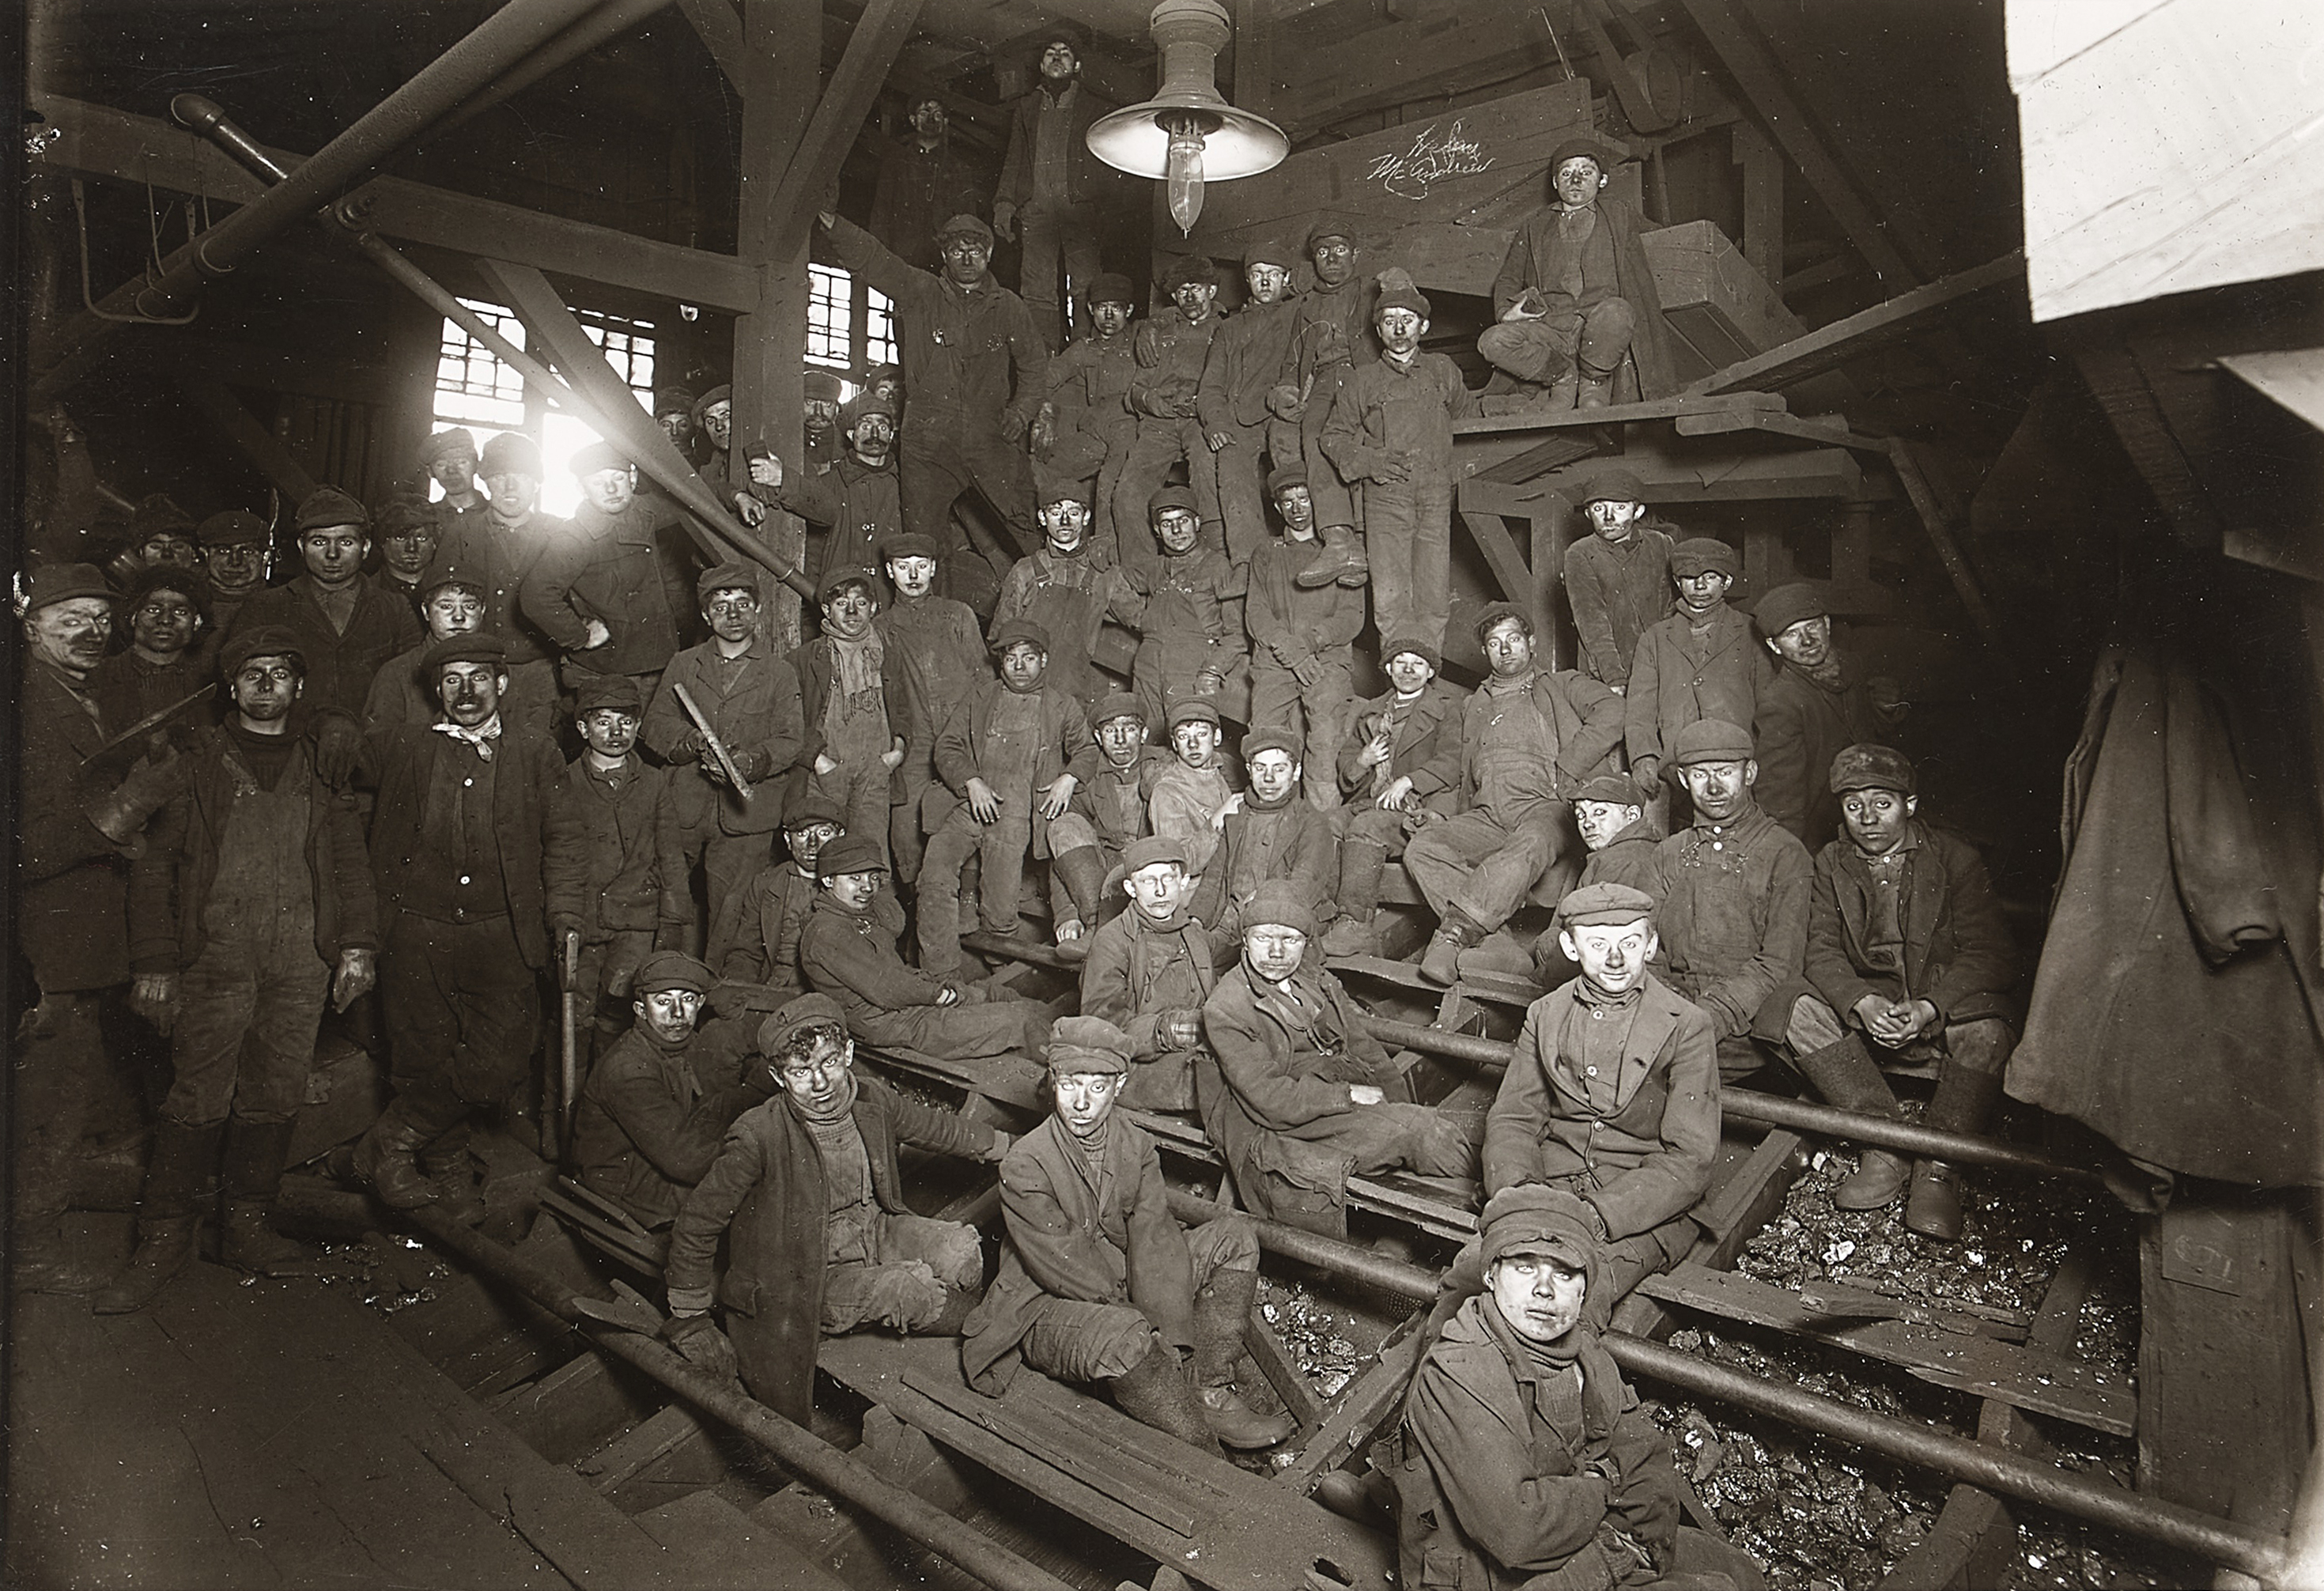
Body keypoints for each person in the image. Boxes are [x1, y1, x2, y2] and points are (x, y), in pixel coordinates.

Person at [104, 625, 380, 1313]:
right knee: (197, 1096)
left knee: (276, 1093)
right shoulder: (196, 760)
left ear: (298, 687)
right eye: (251, 673)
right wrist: (155, 964)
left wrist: (357, 946)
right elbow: (155, 867)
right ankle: (162, 1239)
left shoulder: (323, 764)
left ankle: (247, 1231)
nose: (265, 684)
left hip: (300, 959)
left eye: (278, 673)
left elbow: (349, 861)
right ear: (230, 686)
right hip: (216, 958)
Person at [1395, 1185, 1764, 1591]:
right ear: (1490, 1275)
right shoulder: (1461, 1368)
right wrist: (1608, 1494)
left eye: (1564, 1274)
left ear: (1584, 1290)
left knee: (1741, 1571)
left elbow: (1647, 1456)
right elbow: (1518, 1531)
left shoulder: (1583, 1350)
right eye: (1524, 1268)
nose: (1545, 1290)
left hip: (1577, 1530)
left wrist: (1624, 1524)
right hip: (1487, 1575)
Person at [663, 992, 1008, 1422]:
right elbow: (698, 1222)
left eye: (828, 1063)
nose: (821, 1083)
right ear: (777, 1075)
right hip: (807, 1274)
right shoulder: (757, 1137)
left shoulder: (868, 1100)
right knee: (907, 1291)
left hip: (872, 1229)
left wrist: (1005, 1148)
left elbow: (934, 1127)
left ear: (847, 1052)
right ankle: (995, 1335)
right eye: (801, 1072)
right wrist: (689, 1315)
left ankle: (968, 1334)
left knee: (958, 1251)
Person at [962, 1016, 1294, 1452]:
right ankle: (1199, 1445)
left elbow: (1154, 1237)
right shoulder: (1025, 1164)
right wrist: (1143, 1323)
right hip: (1048, 1305)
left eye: (1097, 1088)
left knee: (1234, 1238)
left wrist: (1173, 1339)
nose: (1082, 1102)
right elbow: (1065, 1264)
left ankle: (1205, 1387)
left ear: (1119, 1086)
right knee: (1126, 1338)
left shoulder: (1135, 1145)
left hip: (1122, 1284)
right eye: (1069, 1085)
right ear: (1053, 1080)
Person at [348, 634, 584, 1211]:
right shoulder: (406, 746)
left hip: (501, 930)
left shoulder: (535, 752)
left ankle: (388, 1143)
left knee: (501, 1059)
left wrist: (566, 914)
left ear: (502, 684)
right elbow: (340, 761)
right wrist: (333, 726)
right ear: (436, 689)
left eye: (479, 678)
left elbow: (566, 840)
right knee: (422, 1053)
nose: (466, 691)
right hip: (415, 930)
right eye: (452, 680)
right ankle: (447, 1171)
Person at [14, 566, 190, 1293]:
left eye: (98, 620)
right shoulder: (23, 705)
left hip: (82, 943)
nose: (90, 633)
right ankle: (26, 1254)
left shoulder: (90, 696)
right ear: (29, 629)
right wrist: (127, 807)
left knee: (62, 1098)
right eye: (69, 621)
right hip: (41, 949)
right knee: (43, 1105)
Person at [1795, 745, 2018, 1238]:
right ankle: (1883, 1145)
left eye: (1883, 803)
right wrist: (1860, 1001)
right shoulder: (1830, 862)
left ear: (1910, 806)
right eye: (1854, 806)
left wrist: (1929, 1007)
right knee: (1794, 1013)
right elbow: (1821, 951)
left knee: (1988, 1031)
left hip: (1937, 1002)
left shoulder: (1955, 859)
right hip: (1870, 1003)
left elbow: (1990, 952)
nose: (1868, 819)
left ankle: (1939, 1162)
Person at [1479, 885, 1717, 1325]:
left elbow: (1691, 1158)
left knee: (1579, 1299)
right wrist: (1521, 1193)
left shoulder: (1688, 1025)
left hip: (1644, 1206)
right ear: (1570, 947)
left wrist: (1601, 1216)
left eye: (1629, 943)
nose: (1614, 959)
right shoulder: (1546, 1013)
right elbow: (1514, 1118)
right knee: (1481, 1278)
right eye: (1598, 943)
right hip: (1550, 1184)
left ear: (1651, 945)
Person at [1200, 882, 1471, 1234]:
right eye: (1265, 938)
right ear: (1246, 939)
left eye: (1291, 939)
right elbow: (1269, 1098)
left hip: (1326, 1100)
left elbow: (1362, 1045)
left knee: (1419, 1123)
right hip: (1278, 1123)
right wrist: (1351, 1097)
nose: (1277, 951)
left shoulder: (1315, 980)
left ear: (1306, 942)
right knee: (1423, 1132)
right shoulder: (1227, 1007)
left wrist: (1397, 1103)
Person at [820, 207, 1049, 614]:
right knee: (922, 543)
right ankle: (930, 621)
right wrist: (837, 226)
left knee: (1026, 524)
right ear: (944, 255)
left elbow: (1034, 366)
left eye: (976, 250)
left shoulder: (1007, 306)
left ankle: (1053, 603)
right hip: (928, 444)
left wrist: (1021, 412)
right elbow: (877, 261)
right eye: (958, 250)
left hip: (990, 438)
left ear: (989, 255)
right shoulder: (920, 291)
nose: (966, 258)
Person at [1405, 604, 1626, 986]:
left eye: (1513, 639)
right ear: (1486, 653)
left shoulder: (1561, 685)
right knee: (1422, 848)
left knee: (1528, 844)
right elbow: (1461, 772)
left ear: (1531, 643)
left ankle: (1455, 935)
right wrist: (1439, 814)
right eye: (1494, 643)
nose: (1505, 649)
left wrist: (1570, 765)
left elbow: (1614, 709)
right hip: (1488, 814)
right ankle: (1501, 946)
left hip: (1546, 808)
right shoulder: (1474, 705)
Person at [644, 563, 806, 955]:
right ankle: (665, 986)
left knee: (731, 918)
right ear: (705, 614)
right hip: (683, 806)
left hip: (746, 818)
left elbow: (790, 739)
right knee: (666, 900)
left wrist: (751, 763)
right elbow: (654, 725)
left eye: (743, 605)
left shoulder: (779, 672)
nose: (733, 616)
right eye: (721, 607)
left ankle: (716, 995)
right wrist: (692, 742)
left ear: (759, 610)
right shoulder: (684, 664)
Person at [916, 620, 1090, 976]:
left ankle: (999, 972)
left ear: (1044, 659)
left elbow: (1087, 749)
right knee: (934, 871)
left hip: (1017, 816)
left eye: (1029, 658)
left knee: (999, 910)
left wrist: (1068, 778)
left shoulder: (1061, 706)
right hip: (969, 806)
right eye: (1011, 659)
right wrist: (971, 780)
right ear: (1001, 663)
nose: (1020, 667)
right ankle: (940, 972)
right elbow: (947, 746)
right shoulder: (980, 697)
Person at [1648, 720, 1814, 1083]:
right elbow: (1647, 947)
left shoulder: (1784, 853)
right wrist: (1671, 1008)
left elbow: (1779, 963)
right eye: (1700, 774)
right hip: (1673, 1013)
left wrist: (1707, 1016)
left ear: (1750, 773)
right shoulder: (1669, 854)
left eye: (1725, 772)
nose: (1713, 787)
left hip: (1747, 1026)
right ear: (1683, 779)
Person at [1321, 270, 1477, 654]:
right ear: (1379, 330)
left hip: (1436, 495)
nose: (1399, 329)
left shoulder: (1443, 371)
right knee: (1391, 601)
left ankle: (1428, 681)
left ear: (1423, 325)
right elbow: (1333, 437)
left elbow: (1469, 420)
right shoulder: (1362, 380)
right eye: (1389, 321)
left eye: (1407, 320)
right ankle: (1398, 686)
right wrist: (1370, 461)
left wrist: (1454, 472)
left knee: (1434, 597)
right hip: (1386, 496)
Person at [800, 835, 1055, 1060]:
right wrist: (940, 995)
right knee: (1018, 1020)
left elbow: (895, 926)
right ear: (827, 880)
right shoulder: (828, 931)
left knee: (997, 995)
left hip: (905, 1004)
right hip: (888, 1022)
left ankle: (1065, 1029)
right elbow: (887, 988)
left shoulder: (856, 915)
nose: (867, 887)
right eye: (854, 878)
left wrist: (946, 993)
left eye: (874, 877)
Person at [1476, 135, 1681, 410]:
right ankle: (1561, 376)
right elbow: (1509, 277)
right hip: (1552, 330)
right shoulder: (1535, 226)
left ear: (1602, 181)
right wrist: (1506, 312)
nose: (1575, 180)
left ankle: (1593, 381)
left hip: (1599, 331)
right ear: (1555, 182)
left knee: (1617, 311)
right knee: (1492, 341)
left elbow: (1668, 238)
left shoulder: (1620, 216)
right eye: (1566, 173)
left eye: (1586, 172)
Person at [570, 950, 773, 1227]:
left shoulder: (674, 1045)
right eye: (664, 1002)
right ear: (641, 1010)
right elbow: (685, 1160)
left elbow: (704, 1111)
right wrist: (761, 1160)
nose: (678, 1014)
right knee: (757, 1196)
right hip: (629, 1188)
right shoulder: (629, 1069)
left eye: (687, 1000)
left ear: (700, 1003)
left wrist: (761, 1090)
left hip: (654, 1163)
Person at [546, 674, 687, 1063]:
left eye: (625, 721)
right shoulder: (563, 783)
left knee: (622, 1017)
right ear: (582, 727)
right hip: (583, 920)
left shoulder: (654, 783)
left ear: (639, 727)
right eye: (603, 721)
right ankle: (564, 1111)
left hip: (637, 922)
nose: (615, 731)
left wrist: (672, 923)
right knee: (574, 1017)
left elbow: (671, 856)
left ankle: (612, 1096)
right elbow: (553, 858)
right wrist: (563, 919)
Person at [1324, 636, 1468, 958]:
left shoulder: (1447, 709)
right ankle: (1325, 912)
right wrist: (1363, 760)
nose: (1409, 670)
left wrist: (1409, 780)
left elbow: (1453, 760)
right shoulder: (1372, 711)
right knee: (1329, 823)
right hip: (1374, 800)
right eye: (1401, 663)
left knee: (1367, 827)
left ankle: (1355, 923)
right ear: (1388, 668)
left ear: (1430, 673)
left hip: (1420, 806)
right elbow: (1346, 766)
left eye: (1418, 664)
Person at [228, 486, 421, 717]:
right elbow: (240, 678)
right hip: (293, 739)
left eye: (346, 542)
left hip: (372, 741)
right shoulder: (264, 606)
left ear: (366, 547)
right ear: (302, 547)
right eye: (319, 542)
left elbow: (413, 685)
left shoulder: (395, 608)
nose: (332, 554)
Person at [1079, 837, 1239, 1111]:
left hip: (1193, 1047)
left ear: (1184, 882)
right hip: (1140, 1061)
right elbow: (1101, 1024)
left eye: (1168, 878)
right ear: (1130, 888)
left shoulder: (1193, 935)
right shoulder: (1113, 941)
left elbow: (1233, 956)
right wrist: (1165, 1031)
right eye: (1148, 881)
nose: (1161, 891)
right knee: (1222, 1085)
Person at [523, 441, 700, 690]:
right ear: (582, 489)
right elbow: (536, 595)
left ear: (633, 478)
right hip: (608, 670)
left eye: (618, 477)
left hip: (660, 661)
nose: (611, 489)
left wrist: (735, 495)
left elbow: (691, 497)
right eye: (597, 482)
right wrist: (580, 635)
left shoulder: (643, 512)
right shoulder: (576, 537)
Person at [991, 34, 1120, 350]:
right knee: (1037, 286)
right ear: (1042, 64)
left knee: (1086, 284)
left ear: (1076, 65)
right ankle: (1043, 354)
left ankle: (1084, 350)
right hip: (1037, 207)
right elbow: (1015, 157)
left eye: (1064, 54)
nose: (1057, 58)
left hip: (1078, 208)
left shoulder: (1093, 106)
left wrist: (1102, 203)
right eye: (1051, 53)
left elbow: (1107, 158)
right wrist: (1004, 203)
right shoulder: (1027, 106)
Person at [1245, 464, 1363, 808]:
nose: (1297, 509)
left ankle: (1323, 826)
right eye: (1288, 501)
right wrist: (1290, 651)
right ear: (1278, 507)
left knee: (1326, 737)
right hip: (1275, 659)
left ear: (1318, 503)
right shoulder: (1267, 553)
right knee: (1266, 737)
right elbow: (1256, 612)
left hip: (1326, 660)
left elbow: (1352, 617)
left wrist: (1309, 644)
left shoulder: (1345, 553)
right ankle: (1269, 818)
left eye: (1305, 499)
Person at [875, 532, 991, 886]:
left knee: (970, 819)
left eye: (921, 567)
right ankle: (915, 907)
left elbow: (984, 681)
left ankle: (966, 904)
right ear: (890, 571)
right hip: (912, 746)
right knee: (907, 831)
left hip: (960, 738)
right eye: (903, 567)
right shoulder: (881, 628)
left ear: (934, 569)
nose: (913, 575)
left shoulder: (957, 616)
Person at [1623, 537, 1771, 799]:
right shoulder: (1655, 638)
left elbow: (1769, 704)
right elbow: (1640, 708)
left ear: (1727, 582)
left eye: (1711, 576)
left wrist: (1764, 759)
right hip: (1677, 764)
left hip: (1736, 759)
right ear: (1678, 583)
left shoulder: (1750, 631)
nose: (1700, 585)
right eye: (1689, 577)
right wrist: (1643, 757)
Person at [1271, 217, 1374, 588]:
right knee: (1314, 439)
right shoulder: (1308, 304)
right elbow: (1293, 359)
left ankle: (1362, 541)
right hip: (1325, 380)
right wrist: (1285, 389)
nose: (1332, 259)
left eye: (1340, 250)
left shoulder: (1370, 291)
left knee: (1363, 441)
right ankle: (1339, 539)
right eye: (1323, 252)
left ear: (1355, 255)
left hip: (1366, 376)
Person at [430, 430, 566, 706]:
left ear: (537, 483)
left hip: (545, 672)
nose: (510, 487)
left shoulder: (561, 533)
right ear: (486, 482)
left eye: (522, 477)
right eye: (499, 477)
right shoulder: (462, 533)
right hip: (480, 669)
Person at [1112, 257, 1227, 574]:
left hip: (1200, 421)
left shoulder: (1227, 330)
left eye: (1197, 289)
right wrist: (1151, 401)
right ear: (1174, 298)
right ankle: (1142, 574)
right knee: (1128, 493)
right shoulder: (1160, 334)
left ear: (1212, 291)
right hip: (1159, 425)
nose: (1190, 297)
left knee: (1208, 475)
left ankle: (1213, 564)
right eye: (1182, 291)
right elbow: (1133, 392)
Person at [1751, 582, 1885, 853]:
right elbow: (1780, 795)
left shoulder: (1854, 667)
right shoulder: (1780, 702)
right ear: (1774, 646)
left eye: (1812, 626)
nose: (1807, 641)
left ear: (1827, 624)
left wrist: (1888, 709)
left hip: (1875, 813)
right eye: (1792, 634)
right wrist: (1787, 855)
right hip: (1821, 833)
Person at [1196, 240, 1306, 561]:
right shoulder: (1229, 328)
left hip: (1285, 413)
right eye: (1258, 274)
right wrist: (1216, 421)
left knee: (1295, 468)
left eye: (1274, 274)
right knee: (1231, 472)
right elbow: (1211, 385)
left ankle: (1306, 546)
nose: (1266, 281)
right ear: (1247, 279)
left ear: (1287, 278)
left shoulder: (1298, 311)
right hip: (1241, 417)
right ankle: (1250, 561)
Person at [792, 565, 908, 864]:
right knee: (823, 858)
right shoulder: (807, 658)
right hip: (828, 771)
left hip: (875, 770)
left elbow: (904, 707)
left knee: (870, 855)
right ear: (827, 610)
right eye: (842, 604)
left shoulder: (887, 652)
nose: (852, 611)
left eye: (861, 603)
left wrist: (897, 751)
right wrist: (819, 761)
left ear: (873, 608)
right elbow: (788, 717)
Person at [364, 561, 555, 738]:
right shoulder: (397, 673)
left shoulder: (507, 673)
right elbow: (380, 746)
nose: (459, 617)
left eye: (469, 606)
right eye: (446, 606)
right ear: (425, 611)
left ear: (482, 611)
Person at [992, 472, 1129, 706]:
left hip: (1077, 689)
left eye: (1073, 513)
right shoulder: (1025, 571)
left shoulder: (1103, 573)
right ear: (1042, 518)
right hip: (1028, 689)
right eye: (1056, 513)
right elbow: (999, 636)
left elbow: (1142, 618)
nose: (1065, 522)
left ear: (1086, 517)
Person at [1115, 484, 1247, 727]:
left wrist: (1213, 670)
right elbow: (1113, 581)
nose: (1176, 530)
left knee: (1190, 742)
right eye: (1167, 524)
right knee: (1149, 742)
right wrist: (1141, 619)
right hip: (1148, 664)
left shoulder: (1217, 566)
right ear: (1157, 530)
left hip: (1193, 667)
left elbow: (1237, 633)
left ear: (1197, 523)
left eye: (1183, 520)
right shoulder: (1154, 567)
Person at [1048, 693, 1169, 954]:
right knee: (1063, 825)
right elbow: (1063, 854)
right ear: (1098, 738)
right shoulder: (1086, 779)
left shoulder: (1164, 765)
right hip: (1103, 879)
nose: (1121, 739)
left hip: (1156, 869)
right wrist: (1067, 913)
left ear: (1144, 734)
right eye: (1111, 730)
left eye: (1130, 729)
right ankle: (1096, 927)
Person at [1031, 275, 1140, 559]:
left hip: (1132, 430)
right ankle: (1055, 546)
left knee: (1109, 486)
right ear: (1091, 310)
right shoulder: (1084, 349)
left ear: (1128, 311)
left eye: (1116, 308)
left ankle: (1104, 555)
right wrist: (1045, 410)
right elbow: (1047, 378)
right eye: (1101, 307)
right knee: (1038, 466)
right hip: (1095, 435)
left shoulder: (1140, 341)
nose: (1108, 316)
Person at [1193, 729, 1340, 939]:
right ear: (1249, 771)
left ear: (1296, 772)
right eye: (1260, 768)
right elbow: (1214, 879)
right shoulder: (1237, 817)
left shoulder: (1312, 822)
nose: (1269, 778)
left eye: (1279, 769)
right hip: (1230, 921)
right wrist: (1196, 921)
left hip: (1281, 924)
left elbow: (1303, 885)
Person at [1530, 774, 1662, 986]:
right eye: (1581, 815)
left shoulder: (1621, 859)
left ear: (1632, 815)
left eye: (1600, 812)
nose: (1588, 823)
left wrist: (1540, 981)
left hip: (1623, 971)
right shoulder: (1634, 850)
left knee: (1549, 942)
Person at [742, 393, 901, 567]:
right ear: (850, 434)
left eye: (883, 428)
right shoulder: (830, 483)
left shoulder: (903, 485)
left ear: (891, 436)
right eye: (865, 427)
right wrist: (783, 480)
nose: (875, 434)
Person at [1563, 467, 1676, 693]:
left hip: (1662, 665)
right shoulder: (1580, 553)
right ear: (1588, 514)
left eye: (1620, 507)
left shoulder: (1661, 545)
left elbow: (1672, 608)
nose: (1609, 517)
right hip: (1606, 672)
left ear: (1638, 512)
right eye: (1599, 508)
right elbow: (1592, 622)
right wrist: (1615, 678)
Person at [716, 796, 845, 992]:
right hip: (776, 989)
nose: (813, 844)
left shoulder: (854, 884)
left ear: (840, 836)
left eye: (824, 833)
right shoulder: (766, 884)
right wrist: (739, 992)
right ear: (787, 840)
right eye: (802, 834)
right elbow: (745, 953)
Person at [93, 564, 214, 744]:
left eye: (180, 611)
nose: (165, 620)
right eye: (153, 610)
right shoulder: (100, 677)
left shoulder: (209, 685)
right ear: (133, 617)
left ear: (197, 622)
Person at [869, 93, 984, 270]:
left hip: (943, 257)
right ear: (913, 120)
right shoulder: (895, 164)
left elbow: (968, 219)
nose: (931, 119)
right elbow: (881, 212)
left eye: (937, 114)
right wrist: (879, 255)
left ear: (945, 122)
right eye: (924, 113)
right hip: (902, 254)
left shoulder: (958, 168)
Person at [1147, 698, 1237, 867]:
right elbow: (1183, 861)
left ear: (1217, 737)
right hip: (1194, 886)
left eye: (1202, 734)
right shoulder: (1166, 792)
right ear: (1174, 743)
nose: (1193, 744)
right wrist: (1217, 820)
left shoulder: (1218, 773)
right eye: (1183, 736)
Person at [197, 508, 272, 633]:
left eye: (248, 551)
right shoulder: (188, 603)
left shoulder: (282, 605)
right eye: (223, 551)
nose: (235, 561)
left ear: (265, 557)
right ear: (206, 554)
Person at [373, 498, 441, 610]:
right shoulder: (368, 591)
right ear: (382, 542)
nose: (411, 548)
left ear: (435, 543)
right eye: (400, 538)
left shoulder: (448, 588)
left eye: (421, 538)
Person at [417, 428, 484, 527]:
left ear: (476, 466)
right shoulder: (426, 519)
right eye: (441, 465)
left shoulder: (497, 515)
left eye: (461, 462)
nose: (451, 470)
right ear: (430, 473)